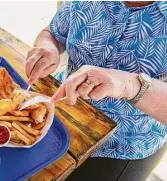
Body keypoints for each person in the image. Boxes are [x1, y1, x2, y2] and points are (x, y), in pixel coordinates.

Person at [25, 1, 167, 181]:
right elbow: (52, 33)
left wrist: (129, 85)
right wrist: (49, 49)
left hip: (121, 145)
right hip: (60, 114)